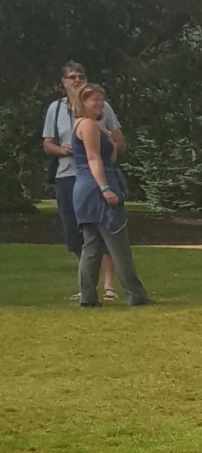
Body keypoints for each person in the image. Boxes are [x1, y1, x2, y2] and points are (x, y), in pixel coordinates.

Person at [43, 59, 124, 299]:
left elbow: (119, 140)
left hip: (95, 177)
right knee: (77, 233)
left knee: (105, 229)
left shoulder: (102, 106)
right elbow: (47, 144)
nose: (77, 80)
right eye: (72, 77)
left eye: (81, 76)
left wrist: (108, 152)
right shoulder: (55, 109)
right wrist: (62, 150)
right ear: (63, 83)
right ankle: (88, 286)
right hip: (67, 176)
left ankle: (109, 286)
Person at [69, 83, 149, 308]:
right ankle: (136, 295)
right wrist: (106, 189)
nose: (100, 103)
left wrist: (110, 142)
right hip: (97, 187)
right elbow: (95, 159)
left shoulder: (82, 125)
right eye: (95, 100)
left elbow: (107, 149)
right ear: (83, 102)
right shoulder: (89, 125)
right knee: (118, 244)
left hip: (83, 189)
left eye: (102, 100)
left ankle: (88, 298)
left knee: (92, 246)